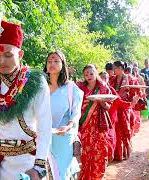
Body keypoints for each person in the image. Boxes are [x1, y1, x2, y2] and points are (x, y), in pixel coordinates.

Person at [0, 21, 52, 180]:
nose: (1, 61)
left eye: (8, 55)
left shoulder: (35, 82)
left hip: (29, 164)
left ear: (21, 54)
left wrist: (38, 168)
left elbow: (45, 127)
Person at [44, 51, 83, 180]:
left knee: (61, 173)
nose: (52, 64)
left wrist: (68, 126)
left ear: (63, 65)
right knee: (44, 171)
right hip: (43, 136)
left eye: (56, 61)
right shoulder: (41, 87)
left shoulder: (71, 88)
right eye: (49, 61)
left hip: (63, 136)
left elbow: (76, 112)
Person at [77, 64, 112, 180]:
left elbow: (108, 107)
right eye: (86, 74)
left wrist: (102, 102)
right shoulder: (81, 88)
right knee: (86, 151)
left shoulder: (103, 87)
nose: (89, 76)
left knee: (99, 150)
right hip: (85, 124)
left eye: (91, 73)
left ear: (96, 73)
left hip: (99, 124)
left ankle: (97, 175)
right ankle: (86, 175)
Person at [110, 61, 139, 160]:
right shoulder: (112, 79)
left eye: (114, 68)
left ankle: (125, 153)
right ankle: (117, 154)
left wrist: (132, 102)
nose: (113, 70)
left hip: (125, 108)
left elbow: (134, 93)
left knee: (125, 130)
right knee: (116, 130)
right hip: (115, 108)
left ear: (120, 68)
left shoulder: (130, 79)